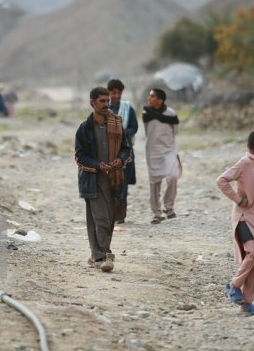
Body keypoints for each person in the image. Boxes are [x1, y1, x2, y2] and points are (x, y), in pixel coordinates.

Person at [75, 86, 131, 272]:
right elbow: (79, 156)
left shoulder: (116, 124)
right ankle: (105, 256)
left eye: (107, 101)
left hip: (115, 179)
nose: (106, 104)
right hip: (93, 179)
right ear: (92, 102)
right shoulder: (85, 128)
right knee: (101, 219)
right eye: (101, 101)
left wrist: (119, 160)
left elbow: (126, 149)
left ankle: (95, 255)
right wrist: (98, 165)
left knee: (107, 218)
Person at [216, 130, 254, 316]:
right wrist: (238, 199)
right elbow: (222, 180)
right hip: (243, 218)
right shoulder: (245, 163)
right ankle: (233, 285)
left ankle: (246, 304)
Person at [143, 88, 181, 224]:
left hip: (169, 150)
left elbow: (174, 131)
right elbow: (147, 131)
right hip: (152, 151)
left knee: (173, 177)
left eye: (152, 96)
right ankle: (156, 213)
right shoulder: (146, 113)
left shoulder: (171, 113)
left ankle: (169, 207)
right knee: (154, 183)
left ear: (160, 100)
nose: (149, 98)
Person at [107, 78, 138, 224]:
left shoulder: (127, 108)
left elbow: (134, 127)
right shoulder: (103, 108)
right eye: (114, 93)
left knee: (122, 183)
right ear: (109, 93)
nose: (117, 95)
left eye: (119, 92)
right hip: (107, 152)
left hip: (124, 151)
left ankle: (120, 215)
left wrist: (125, 132)